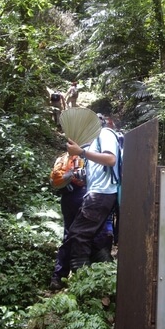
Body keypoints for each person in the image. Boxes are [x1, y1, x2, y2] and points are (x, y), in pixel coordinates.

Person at [62, 112, 119, 271]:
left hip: (102, 193)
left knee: (78, 233)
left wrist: (81, 152)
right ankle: (103, 271)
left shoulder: (105, 133)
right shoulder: (93, 143)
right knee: (92, 235)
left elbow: (111, 160)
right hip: (98, 193)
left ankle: (83, 277)